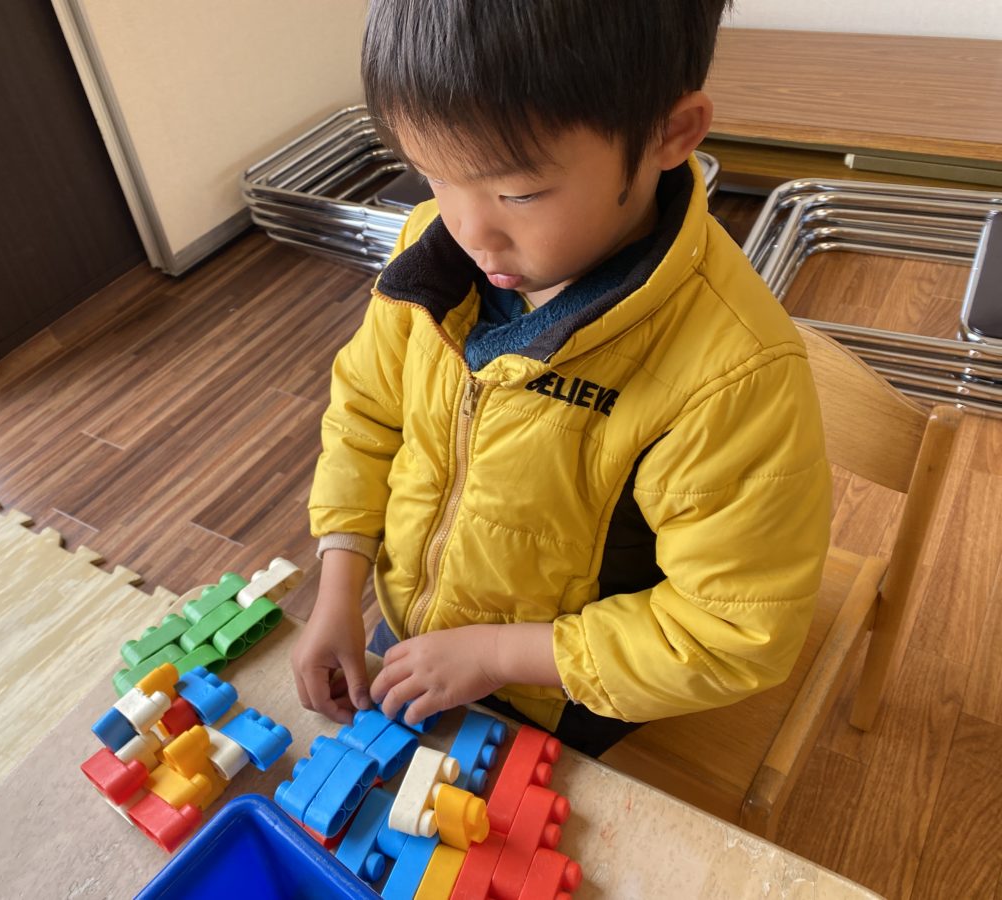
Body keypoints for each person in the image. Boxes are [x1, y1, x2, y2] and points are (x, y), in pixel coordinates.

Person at [291, 0, 831, 757]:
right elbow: (367, 414)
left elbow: (731, 631)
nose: (469, 231)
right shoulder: (432, 249)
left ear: (671, 133)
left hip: (569, 691)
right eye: (434, 175)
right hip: (416, 631)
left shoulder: (733, 375)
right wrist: (339, 583)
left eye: (517, 193)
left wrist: (495, 655)